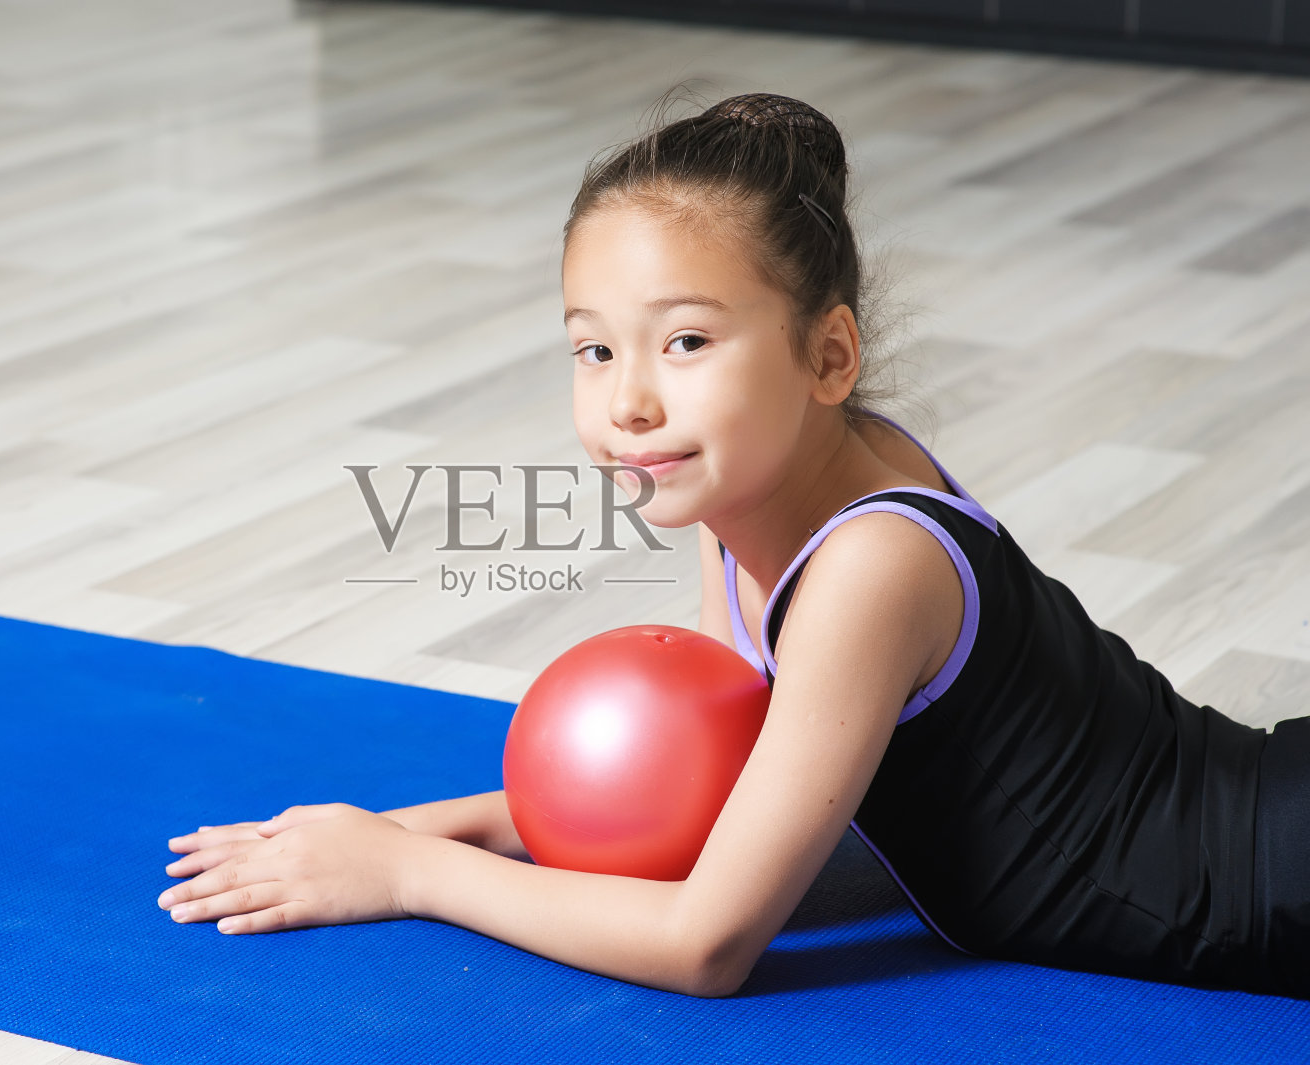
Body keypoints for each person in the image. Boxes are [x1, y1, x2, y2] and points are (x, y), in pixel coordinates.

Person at [155, 92, 1308, 1000]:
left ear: (828, 357)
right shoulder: (757, 495)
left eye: (687, 341)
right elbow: (707, 787)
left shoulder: (869, 568)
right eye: (593, 351)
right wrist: (385, 831)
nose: (630, 403)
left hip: (1271, 878)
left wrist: (409, 876)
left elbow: (708, 943)